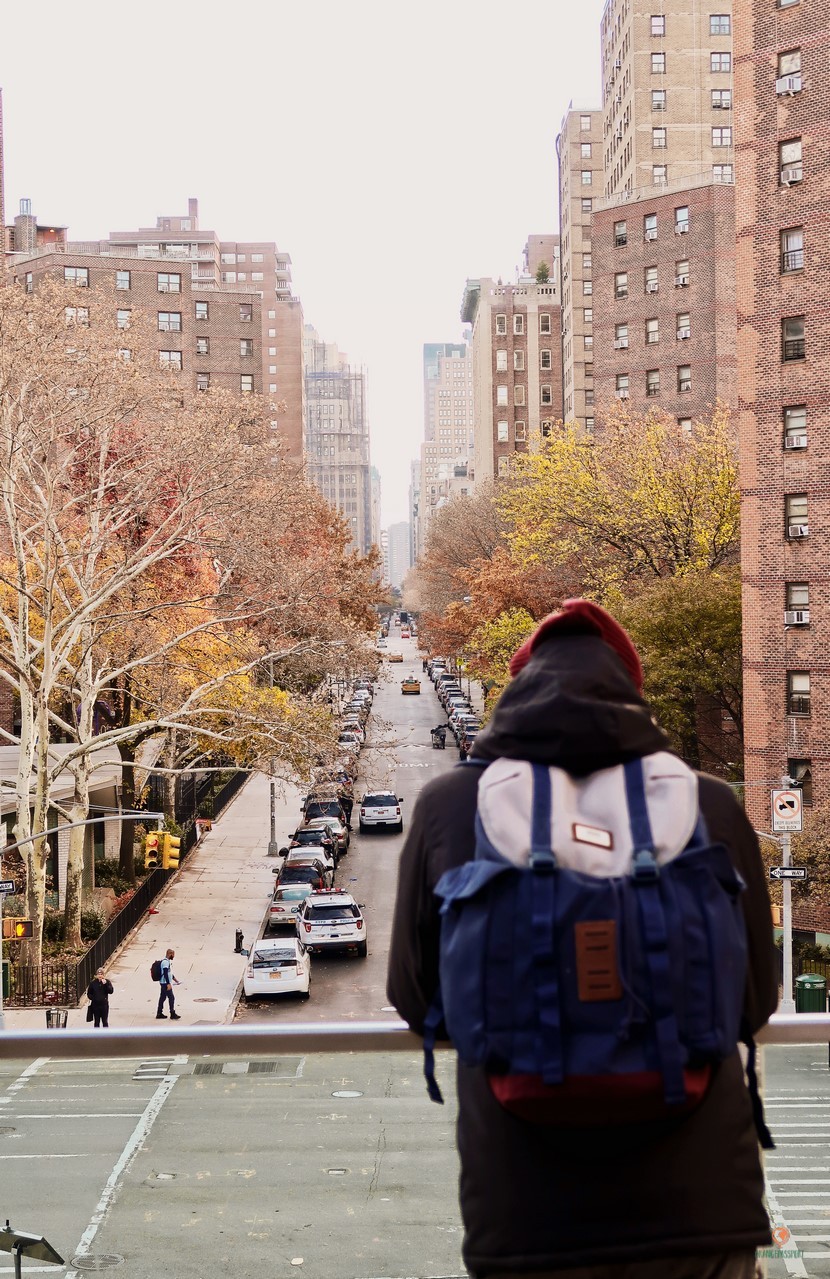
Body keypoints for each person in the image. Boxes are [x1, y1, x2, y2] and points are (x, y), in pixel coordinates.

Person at [388, 599, 777, 1279]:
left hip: (524, 1212)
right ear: (632, 692)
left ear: (517, 692)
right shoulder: (708, 802)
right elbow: (754, 1000)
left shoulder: (452, 805)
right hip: (701, 1209)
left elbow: (416, 996)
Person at [156, 948, 181, 1020]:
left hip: (163, 983)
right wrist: (168, 984)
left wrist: (176, 980)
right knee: (171, 997)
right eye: (173, 955)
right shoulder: (165, 963)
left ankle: (159, 1013)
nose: (173, 956)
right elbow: (165, 973)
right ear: (169, 954)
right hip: (165, 983)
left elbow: (170, 973)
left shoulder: (167, 962)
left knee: (162, 998)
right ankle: (172, 1013)